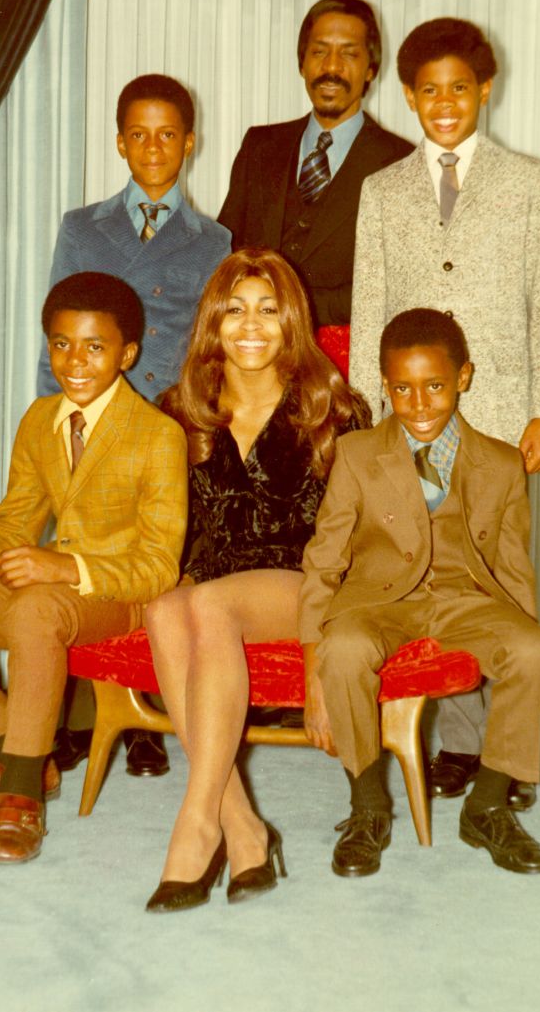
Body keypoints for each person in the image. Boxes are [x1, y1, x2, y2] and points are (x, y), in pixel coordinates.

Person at [349, 18, 540, 799]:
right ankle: (448, 733)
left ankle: (498, 754)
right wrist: (367, 413)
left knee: (500, 578)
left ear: (485, 89)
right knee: (424, 570)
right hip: (410, 412)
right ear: (408, 96)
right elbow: (369, 301)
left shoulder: (529, 181)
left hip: (500, 411)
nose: (445, 103)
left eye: (460, 88)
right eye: (429, 90)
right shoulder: (383, 190)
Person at [0, 272, 187, 864]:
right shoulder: (39, 420)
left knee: (35, 606)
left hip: (119, 597)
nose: (75, 361)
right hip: (50, 603)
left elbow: (158, 566)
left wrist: (65, 568)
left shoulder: (159, 435)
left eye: (95, 346)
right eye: (60, 344)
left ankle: (20, 799)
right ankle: (22, 759)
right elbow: (11, 531)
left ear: (128, 354)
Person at [143, 248, 369, 912]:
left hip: (308, 587)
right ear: (213, 323)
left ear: (292, 321)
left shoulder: (334, 409)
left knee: (208, 604)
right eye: (235, 309)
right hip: (218, 587)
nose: (251, 324)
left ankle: (196, 824)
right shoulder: (180, 412)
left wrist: (324, 663)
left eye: (269, 310)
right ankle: (244, 828)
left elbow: (357, 547)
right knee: (163, 608)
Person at [300, 308, 540, 877]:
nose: (419, 405)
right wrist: (310, 658)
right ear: (385, 384)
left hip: (465, 599)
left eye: (436, 386)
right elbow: (325, 559)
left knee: (536, 649)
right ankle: (367, 806)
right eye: (402, 389)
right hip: (378, 601)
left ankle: (488, 804)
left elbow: (514, 565)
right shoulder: (357, 455)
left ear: (463, 378)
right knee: (343, 648)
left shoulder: (500, 463)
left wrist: (520, 639)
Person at [37, 74, 230, 777]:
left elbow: (211, 349)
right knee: (80, 559)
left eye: (168, 134)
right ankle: (80, 715)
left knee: (154, 566)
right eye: (139, 134)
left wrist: (204, 430)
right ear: (120, 142)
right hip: (91, 420)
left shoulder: (214, 240)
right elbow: (52, 339)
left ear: (190, 142)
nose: (154, 147)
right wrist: (49, 427)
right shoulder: (81, 228)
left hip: (167, 428)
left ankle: (146, 716)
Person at [218, 0, 412, 328]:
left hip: (344, 362)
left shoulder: (401, 162)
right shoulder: (259, 146)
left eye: (349, 54)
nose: (331, 68)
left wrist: (288, 309)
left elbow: (394, 284)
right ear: (302, 64)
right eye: (319, 52)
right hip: (255, 352)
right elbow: (225, 252)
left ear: (371, 70)